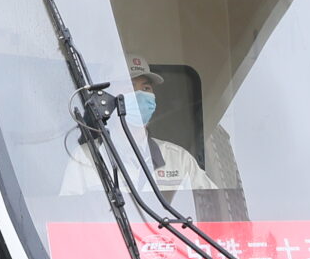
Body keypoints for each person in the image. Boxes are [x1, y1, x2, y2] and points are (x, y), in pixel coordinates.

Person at [64, 56, 216, 198]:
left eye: (146, 88)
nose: (140, 95)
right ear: (109, 96)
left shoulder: (180, 160)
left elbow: (215, 205)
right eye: (131, 86)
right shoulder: (86, 158)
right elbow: (68, 212)